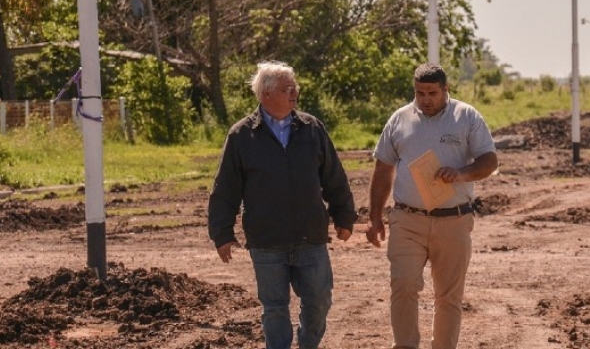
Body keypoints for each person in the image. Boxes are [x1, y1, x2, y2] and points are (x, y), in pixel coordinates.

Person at [208, 61, 357, 349]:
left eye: (295, 87)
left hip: (310, 237)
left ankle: (307, 343)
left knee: (319, 300)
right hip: (266, 239)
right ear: (265, 94)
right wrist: (222, 233)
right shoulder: (241, 136)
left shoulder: (312, 129)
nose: (294, 93)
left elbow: (334, 177)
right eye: (287, 88)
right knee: (274, 307)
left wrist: (344, 216)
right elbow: (225, 188)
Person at [365, 63, 498, 349]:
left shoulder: (466, 117)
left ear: (445, 90)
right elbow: (383, 170)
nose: (425, 99)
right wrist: (374, 217)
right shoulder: (399, 120)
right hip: (407, 219)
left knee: (448, 296)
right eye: (420, 93)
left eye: (432, 93)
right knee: (403, 285)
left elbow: (490, 161)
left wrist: (461, 173)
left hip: (454, 220)